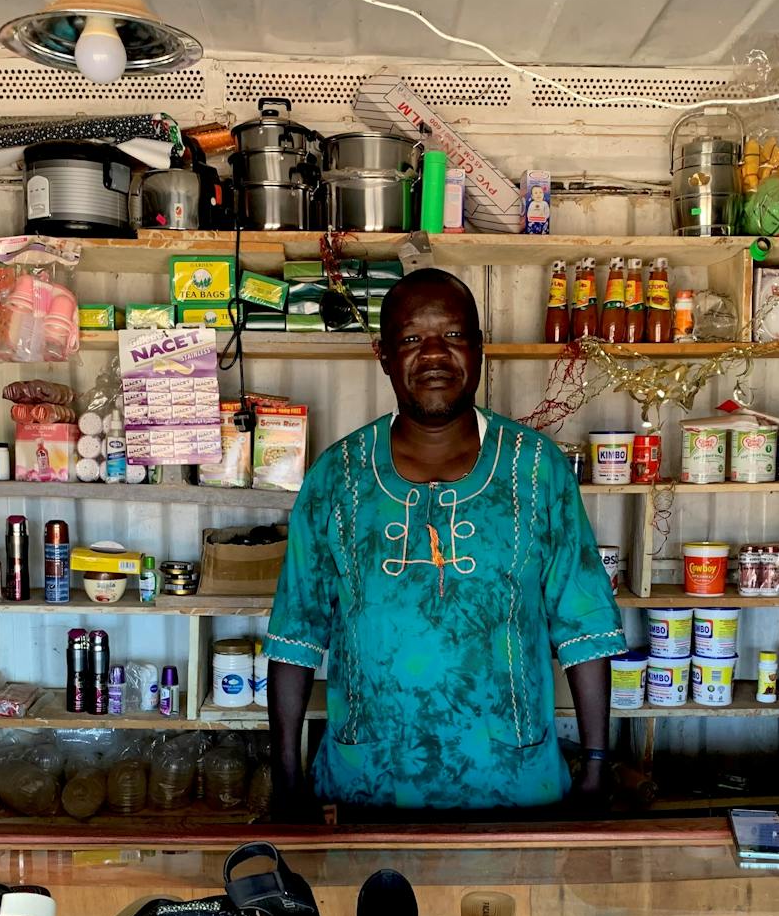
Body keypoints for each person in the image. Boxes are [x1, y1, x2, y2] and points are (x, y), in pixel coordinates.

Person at [263, 268, 624, 814]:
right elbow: (295, 634)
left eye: (453, 335)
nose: (434, 354)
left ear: (480, 350)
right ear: (383, 356)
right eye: (411, 339)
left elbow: (585, 624)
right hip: (366, 783)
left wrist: (597, 765)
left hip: (515, 783)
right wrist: (287, 779)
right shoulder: (337, 477)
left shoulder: (535, 470)